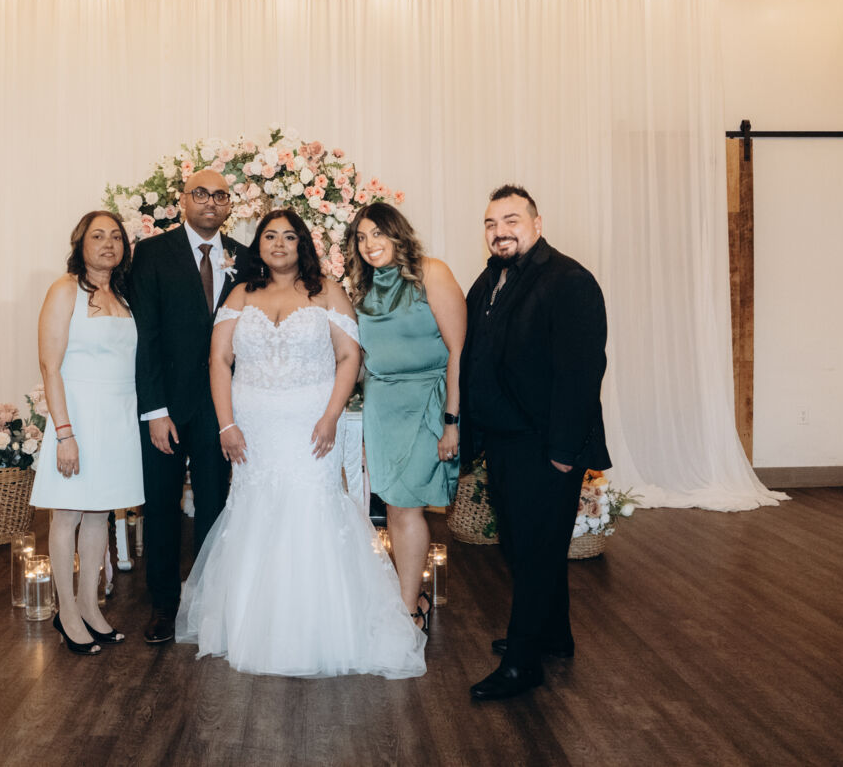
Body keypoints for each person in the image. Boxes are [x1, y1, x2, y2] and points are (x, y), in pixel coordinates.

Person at [176, 209, 426, 679]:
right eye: (270, 236)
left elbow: (349, 356)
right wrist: (226, 425)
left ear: (302, 245)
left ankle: (318, 630)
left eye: (289, 237)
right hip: (253, 429)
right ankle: (252, 626)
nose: (279, 244)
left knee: (312, 507)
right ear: (259, 245)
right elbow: (219, 359)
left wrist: (331, 416)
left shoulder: (327, 291)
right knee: (255, 510)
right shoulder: (240, 294)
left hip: (312, 427)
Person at [460, 184, 611, 700]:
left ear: (537, 224)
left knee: (534, 550)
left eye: (511, 220)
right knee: (525, 545)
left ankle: (523, 664)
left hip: (546, 445)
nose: (499, 231)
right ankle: (553, 634)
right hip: (504, 440)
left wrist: (564, 452)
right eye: (491, 223)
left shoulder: (569, 280)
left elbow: (582, 372)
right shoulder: (490, 280)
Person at [128, 169, 249, 645]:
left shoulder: (244, 256)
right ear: (183, 200)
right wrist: (155, 410)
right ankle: (164, 604)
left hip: (220, 407)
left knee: (215, 506)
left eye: (220, 195)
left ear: (229, 205)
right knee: (161, 506)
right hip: (167, 407)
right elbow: (146, 335)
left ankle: (208, 603)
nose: (210, 202)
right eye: (201, 193)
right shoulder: (153, 252)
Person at [344, 203, 466, 632]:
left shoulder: (432, 273)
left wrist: (451, 420)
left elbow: (459, 352)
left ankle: (410, 610)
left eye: (378, 233)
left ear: (398, 233)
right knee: (395, 506)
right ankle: (411, 598)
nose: (370, 244)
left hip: (427, 400)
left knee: (409, 506)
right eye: (361, 237)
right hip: (382, 407)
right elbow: (361, 360)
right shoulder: (362, 290)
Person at [32, 210, 145, 655]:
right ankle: (66, 613)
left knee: (99, 515)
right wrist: (65, 434)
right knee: (68, 516)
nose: (108, 244)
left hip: (118, 417)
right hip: (77, 416)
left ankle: (90, 607)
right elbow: (50, 366)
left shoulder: (124, 295)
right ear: (80, 244)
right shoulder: (65, 290)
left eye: (116, 236)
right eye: (97, 236)